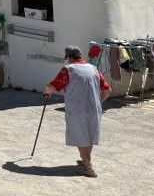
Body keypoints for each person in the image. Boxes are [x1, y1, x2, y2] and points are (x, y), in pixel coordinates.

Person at [43, 45, 112, 177]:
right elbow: (108, 91)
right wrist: (98, 102)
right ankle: (86, 161)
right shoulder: (94, 69)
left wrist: (47, 93)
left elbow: (51, 87)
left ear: (69, 58)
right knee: (89, 136)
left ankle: (88, 166)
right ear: (80, 56)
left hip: (77, 110)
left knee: (81, 137)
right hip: (94, 110)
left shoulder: (68, 69)